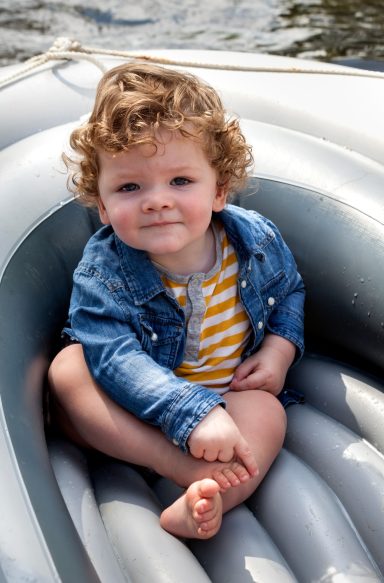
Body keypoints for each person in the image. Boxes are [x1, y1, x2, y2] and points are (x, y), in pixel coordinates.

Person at [48, 62, 305, 540]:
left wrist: (278, 352)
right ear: (102, 206)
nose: (156, 201)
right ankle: (176, 465)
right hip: (130, 416)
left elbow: (288, 292)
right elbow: (114, 357)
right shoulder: (104, 271)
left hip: (226, 402)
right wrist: (190, 416)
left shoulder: (256, 244)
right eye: (129, 187)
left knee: (267, 412)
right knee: (69, 370)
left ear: (219, 190)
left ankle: (206, 501)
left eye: (180, 182)